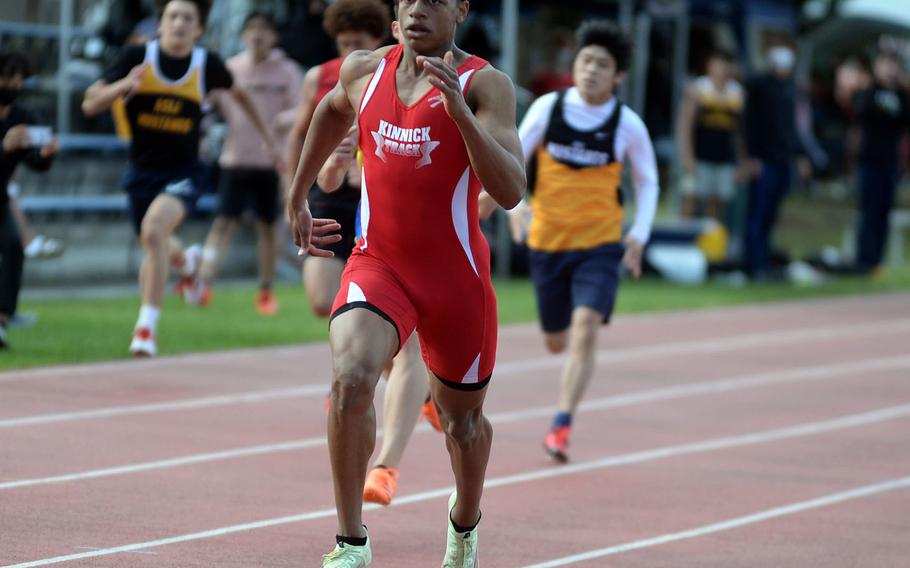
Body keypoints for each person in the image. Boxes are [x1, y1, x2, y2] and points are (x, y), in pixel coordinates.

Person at [287, 0, 525, 564]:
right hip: (380, 263)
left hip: (455, 280)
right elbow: (328, 113)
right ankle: (351, 541)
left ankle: (464, 524)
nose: (419, 9)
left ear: (461, 9)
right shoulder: (363, 70)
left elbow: (512, 189)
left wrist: (462, 117)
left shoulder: (485, 85)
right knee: (349, 379)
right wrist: (296, 196)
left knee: (462, 424)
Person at [81, 0, 282, 356]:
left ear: (199, 29)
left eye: (187, 18)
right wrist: (123, 86)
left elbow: (243, 96)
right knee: (153, 239)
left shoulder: (207, 64)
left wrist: (268, 138)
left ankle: (146, 328)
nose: (179, 24)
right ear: (160, 23)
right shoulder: (136, 57)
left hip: (185, 172)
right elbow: (89, 103)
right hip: (141, 172)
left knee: (155, 231)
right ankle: (188, 263)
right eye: (172, 16)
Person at [508, 21, 659, 463]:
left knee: (585, 327)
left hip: (600, 244)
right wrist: (514, 205)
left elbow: (648, 183)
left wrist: (639, 235)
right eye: (586, 60)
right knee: (556, 340)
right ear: (574, 65)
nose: (592, 70)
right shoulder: (547, 109)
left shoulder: (627, 124)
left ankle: (561, 422)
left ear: (619, 77)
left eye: (603, 65)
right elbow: (510, 160)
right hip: (548, 242)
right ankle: (562, 402)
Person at [186, 12, 303, 314]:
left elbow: (304, 108)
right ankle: (204, 283)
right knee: (223, 222)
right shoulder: (231, 68)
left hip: (271, 162)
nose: (257, 35)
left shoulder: (287, 71)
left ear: (274, 37)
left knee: (268, 227)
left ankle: (265, 290)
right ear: (243, 36)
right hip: (234, 159)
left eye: (264, 29)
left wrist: (280, 121)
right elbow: (206, 105)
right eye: (251, 29)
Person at [286, 0, 391, 321]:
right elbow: (299, 136)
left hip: (376, 196)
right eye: (344, 43)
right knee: (321, 300)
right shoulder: (319, 76)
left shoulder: (393, 76)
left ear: (377, 40)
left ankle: (377, 357)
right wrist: (294, 193)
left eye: (358, 43)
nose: (350, 51)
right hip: (327, 195)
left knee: (373, 304)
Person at [0, 51, 59, 349]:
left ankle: (1, 320)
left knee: (13, 245)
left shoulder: (22, 116)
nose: (13, 84)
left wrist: (46, 154)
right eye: (7, 77)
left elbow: (35, 160)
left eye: (18, 79)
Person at [742, 41, 812, 279]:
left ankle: (764, 262)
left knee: (771, 216)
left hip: (783, 161)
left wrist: (801, 156)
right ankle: (754, 265)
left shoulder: (790, 89)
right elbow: (749, 125)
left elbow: (791, 129)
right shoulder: (759, 86)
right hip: (763, 161)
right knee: (757, 215)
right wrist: (751, 157)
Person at [852, 50, 910, 274]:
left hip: (890, 162)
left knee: (884, 213)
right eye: (885, 64)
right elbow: (860, 111)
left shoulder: (901, 96)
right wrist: (873, 86)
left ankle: (876, 262)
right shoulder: (869, 92)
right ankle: (863, 261)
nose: (889, 70)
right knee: (868, 212)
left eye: (892, 65)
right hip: (869, 161)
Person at [677, 48, 744, 222]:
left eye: (725, 64)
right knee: (691, 199)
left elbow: (739, 131)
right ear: (709, 66)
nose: (722, 68)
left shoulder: (737, 92)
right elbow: (685, 125)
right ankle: (683, 243)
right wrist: (687, 156)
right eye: (717, 63)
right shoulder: (698, 89)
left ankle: (712, 245)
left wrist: (741, 160)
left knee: (717, 204)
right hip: (700, 155)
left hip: (724, 157)